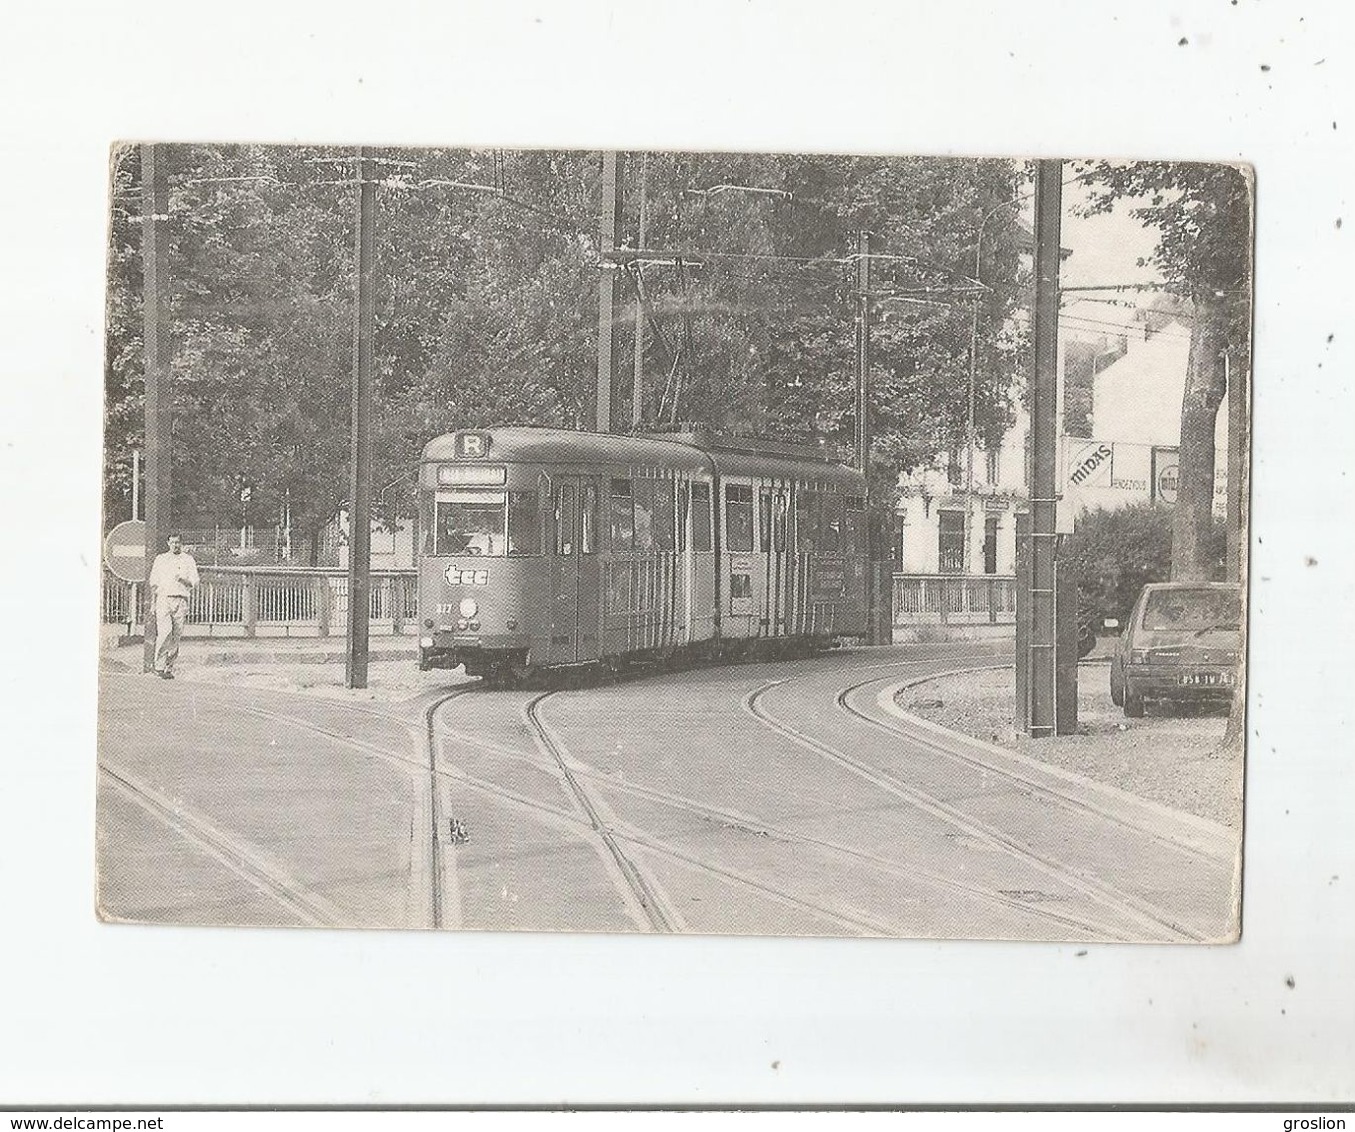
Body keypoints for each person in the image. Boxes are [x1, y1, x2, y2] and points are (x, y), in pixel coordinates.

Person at [148, 534, 199, 679]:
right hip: (164, 599)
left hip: (181, 599)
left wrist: (183, 580)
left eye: (177, 543)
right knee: (165, 632)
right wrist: (153, 603)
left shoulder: (188, 560)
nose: (175, 545)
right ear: (168, 543)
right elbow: (154, 583)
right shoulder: (161, 559)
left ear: (181, 544)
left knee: (176, 635)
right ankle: (158, 666)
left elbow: (194, 582)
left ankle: (169, 667)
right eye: (172, 542)